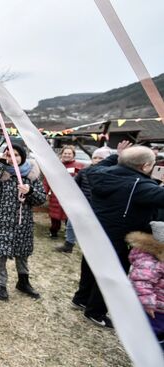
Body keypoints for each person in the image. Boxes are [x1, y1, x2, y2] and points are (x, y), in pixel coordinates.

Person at [72, 145, 164, 328]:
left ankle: (81, 298)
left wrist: (117, 155)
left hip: (95, 230)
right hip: (119, 237)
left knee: (90, 265)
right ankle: (95, 311)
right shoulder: (141, 186)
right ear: (145, 166)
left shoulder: (99, 173)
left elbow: (97, 166)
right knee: (112, 275)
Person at [0, 145, 46, 301]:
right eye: (9, 155)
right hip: (2, 221)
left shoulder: (31, 175)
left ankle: (23, 282)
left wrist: (30, 192)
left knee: (22, 253)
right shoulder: (1, 173)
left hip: (23, 222)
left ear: (23, 157)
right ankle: (0, 284)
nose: (13, 158)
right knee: (0, 254)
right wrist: (0, 166)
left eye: (16, 155)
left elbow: (41, 199)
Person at [55, 147, 112, 253]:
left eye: (101, 158)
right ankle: (69, 244)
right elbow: (75, 185)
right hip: (82, 203)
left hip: (99, 206)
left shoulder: (111, 174)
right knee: (71, 224)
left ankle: (95, 248)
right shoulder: (84, 171)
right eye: (95, 157)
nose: (97, 160)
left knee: (95, 228)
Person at [126, 221, 164, 348]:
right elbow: (141, 282)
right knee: (151, 334)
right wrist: (148, 304)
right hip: (155, 309)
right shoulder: (150, 262)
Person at [44, 145, 84, 238]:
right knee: (55, 215)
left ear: (73, 155)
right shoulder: (55, 166)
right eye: (65, 153)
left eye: (69, 153)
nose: (67, 155)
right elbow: (47, 180)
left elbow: (83, 180)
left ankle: (68, 232)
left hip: (72, 196)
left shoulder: (79, 166)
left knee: (70, 215)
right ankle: (53, 232)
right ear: (61, 154)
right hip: (56, 195)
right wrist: (45, 192)